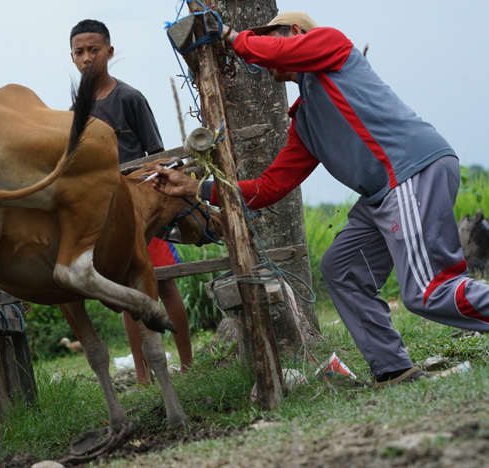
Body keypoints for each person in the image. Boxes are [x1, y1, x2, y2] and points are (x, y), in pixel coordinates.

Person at [152, 11, 489, 388]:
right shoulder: (307, 120)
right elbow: (268, 188)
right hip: (382, 194)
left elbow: (274, 52)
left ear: (296, 33)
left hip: (409, 173)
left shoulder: (333, 46)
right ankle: (394, 369)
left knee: (429, 291)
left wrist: (229, 35)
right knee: (342, 268)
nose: (265, 46)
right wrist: (194, 189)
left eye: (273, 36)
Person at [69, 19, 193, 385]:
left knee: (164, 284)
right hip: (104, 213)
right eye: (80, 52)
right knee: (124, 289)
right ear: (72, 56)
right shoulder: (75, 110)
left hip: (142, 205)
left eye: (94, 50)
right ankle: (143, 376)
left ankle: (186, 364)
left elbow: (157, 155)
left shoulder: (129, 98)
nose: (87, 58)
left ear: (109, 51)